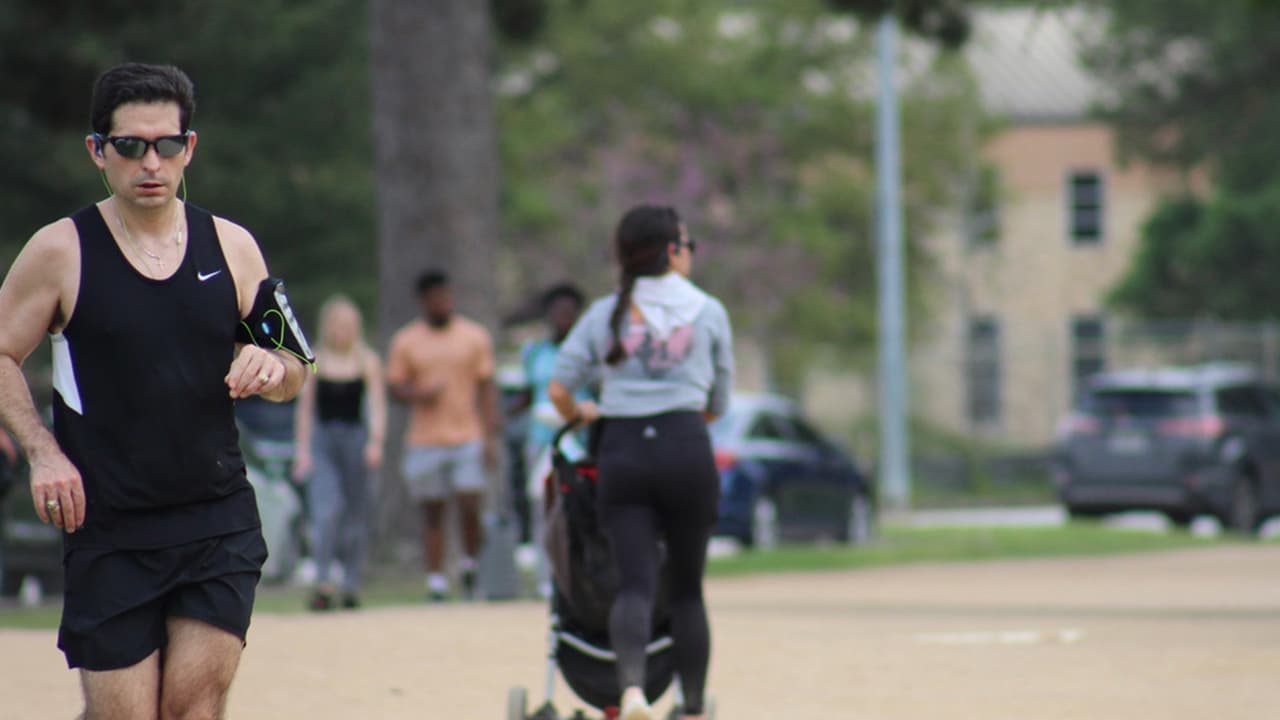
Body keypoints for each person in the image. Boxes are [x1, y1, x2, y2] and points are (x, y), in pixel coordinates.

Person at [0, 63, 310, 718]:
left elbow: (294, 365)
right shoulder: (61, 250)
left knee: (192, 708)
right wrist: (43, 451)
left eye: (167, 144)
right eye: (130, 146)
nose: (151, 162)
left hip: (215, 516)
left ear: (188, 147)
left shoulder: (232, 246)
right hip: (108, 525)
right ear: (98, 152)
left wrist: (271, 367)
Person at [548, 205, 733, 720]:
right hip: (685, 445)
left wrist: (584, 414)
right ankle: (691, 706)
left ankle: (631, 691)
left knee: (634, 583)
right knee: (687, 590)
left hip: (622, 452)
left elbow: (559, 387)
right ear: (672, 250)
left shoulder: (605, 313)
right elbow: (719, 402)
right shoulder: (709, 311)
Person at [387, 269, 500, 601]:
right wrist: (418, 393)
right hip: (425, 439)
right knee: (432, 510)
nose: (443, 303)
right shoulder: (407, 341)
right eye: (436, 298)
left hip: (467, 434)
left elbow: (486, 387)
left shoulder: (474, 337)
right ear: (424, 301)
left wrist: (491, 436)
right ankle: (435, 578)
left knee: (469, 502)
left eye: (447, 297)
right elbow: (394, 387)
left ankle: (470, 565)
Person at [292, 295, 386, 611]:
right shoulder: (315, 359)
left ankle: (351, 582)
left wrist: (375, 441)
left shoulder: (367, 361)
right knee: (326, 510)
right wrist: (303, 451)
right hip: (323, 439)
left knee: (356, 514)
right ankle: (323, 580)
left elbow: (375, 405)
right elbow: (305, 411)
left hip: (355, 438)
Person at [515, 283, 588, 597]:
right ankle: (547, 578)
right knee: (543, 507)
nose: (563, 319)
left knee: (578, 507)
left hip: (577, 439)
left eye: (569, 313)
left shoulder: (588, 353)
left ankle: (578, 575)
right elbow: (528, 393)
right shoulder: (535, 353)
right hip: (542, 438)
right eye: (558, 313)